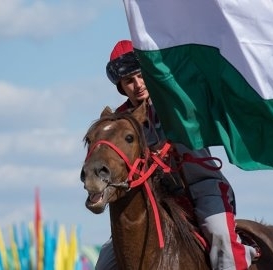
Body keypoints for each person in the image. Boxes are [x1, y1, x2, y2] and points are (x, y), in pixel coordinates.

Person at [96, 40, 260, 270]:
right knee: (105, 262)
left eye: (141, 76)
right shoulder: (121, 125)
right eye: (129, 81)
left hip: (201, 187)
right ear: (122, 87)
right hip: (156, 200)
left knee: (220, 235)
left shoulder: (178, 102)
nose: (138, 85)